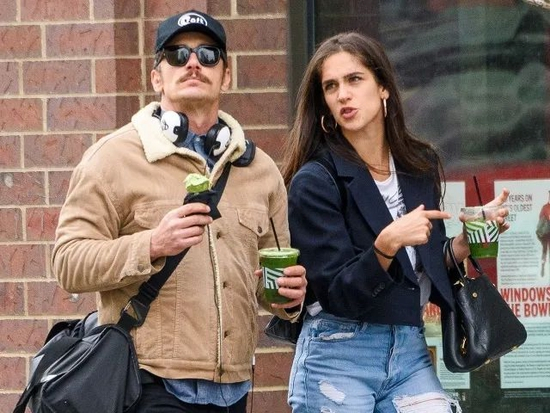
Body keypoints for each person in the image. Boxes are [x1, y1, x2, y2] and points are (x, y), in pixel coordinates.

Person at [52, 10, 306, 413]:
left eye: (208, 55)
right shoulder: (111, 159)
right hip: (147, 384)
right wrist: (152, 244)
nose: (192, 63)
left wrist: (288, 298)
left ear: (226, 75)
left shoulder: (261, 171)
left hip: (234, 389)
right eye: (177, 54)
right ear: (157, 77)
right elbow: (68, 263)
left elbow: (266, 284)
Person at [281, 32, 510, 413]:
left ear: (383, 86)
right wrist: (386, 244)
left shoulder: (418, 165)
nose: (343, 95)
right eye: (331, 86)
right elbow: (338, 294)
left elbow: (419, 268)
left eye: (355, 79)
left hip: (408, 348)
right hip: (338, 352)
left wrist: (461, 245)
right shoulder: (315, 181)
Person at [537, 190, 550, 277]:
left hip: (545, 233)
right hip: (545, 233)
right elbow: (540, 220)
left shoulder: (545, 207)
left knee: (545, 250)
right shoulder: (545, 207)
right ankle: (543, 265)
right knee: (544, 250)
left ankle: (543, 265)